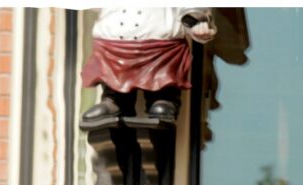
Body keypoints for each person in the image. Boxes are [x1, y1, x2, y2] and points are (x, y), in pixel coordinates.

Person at [81, 7, 217, 126]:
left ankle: (162, 97)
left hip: (160, 45)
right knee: (112, 74)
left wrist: (197, 21)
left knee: (163, 76)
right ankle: (114, 99)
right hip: (113, 43)